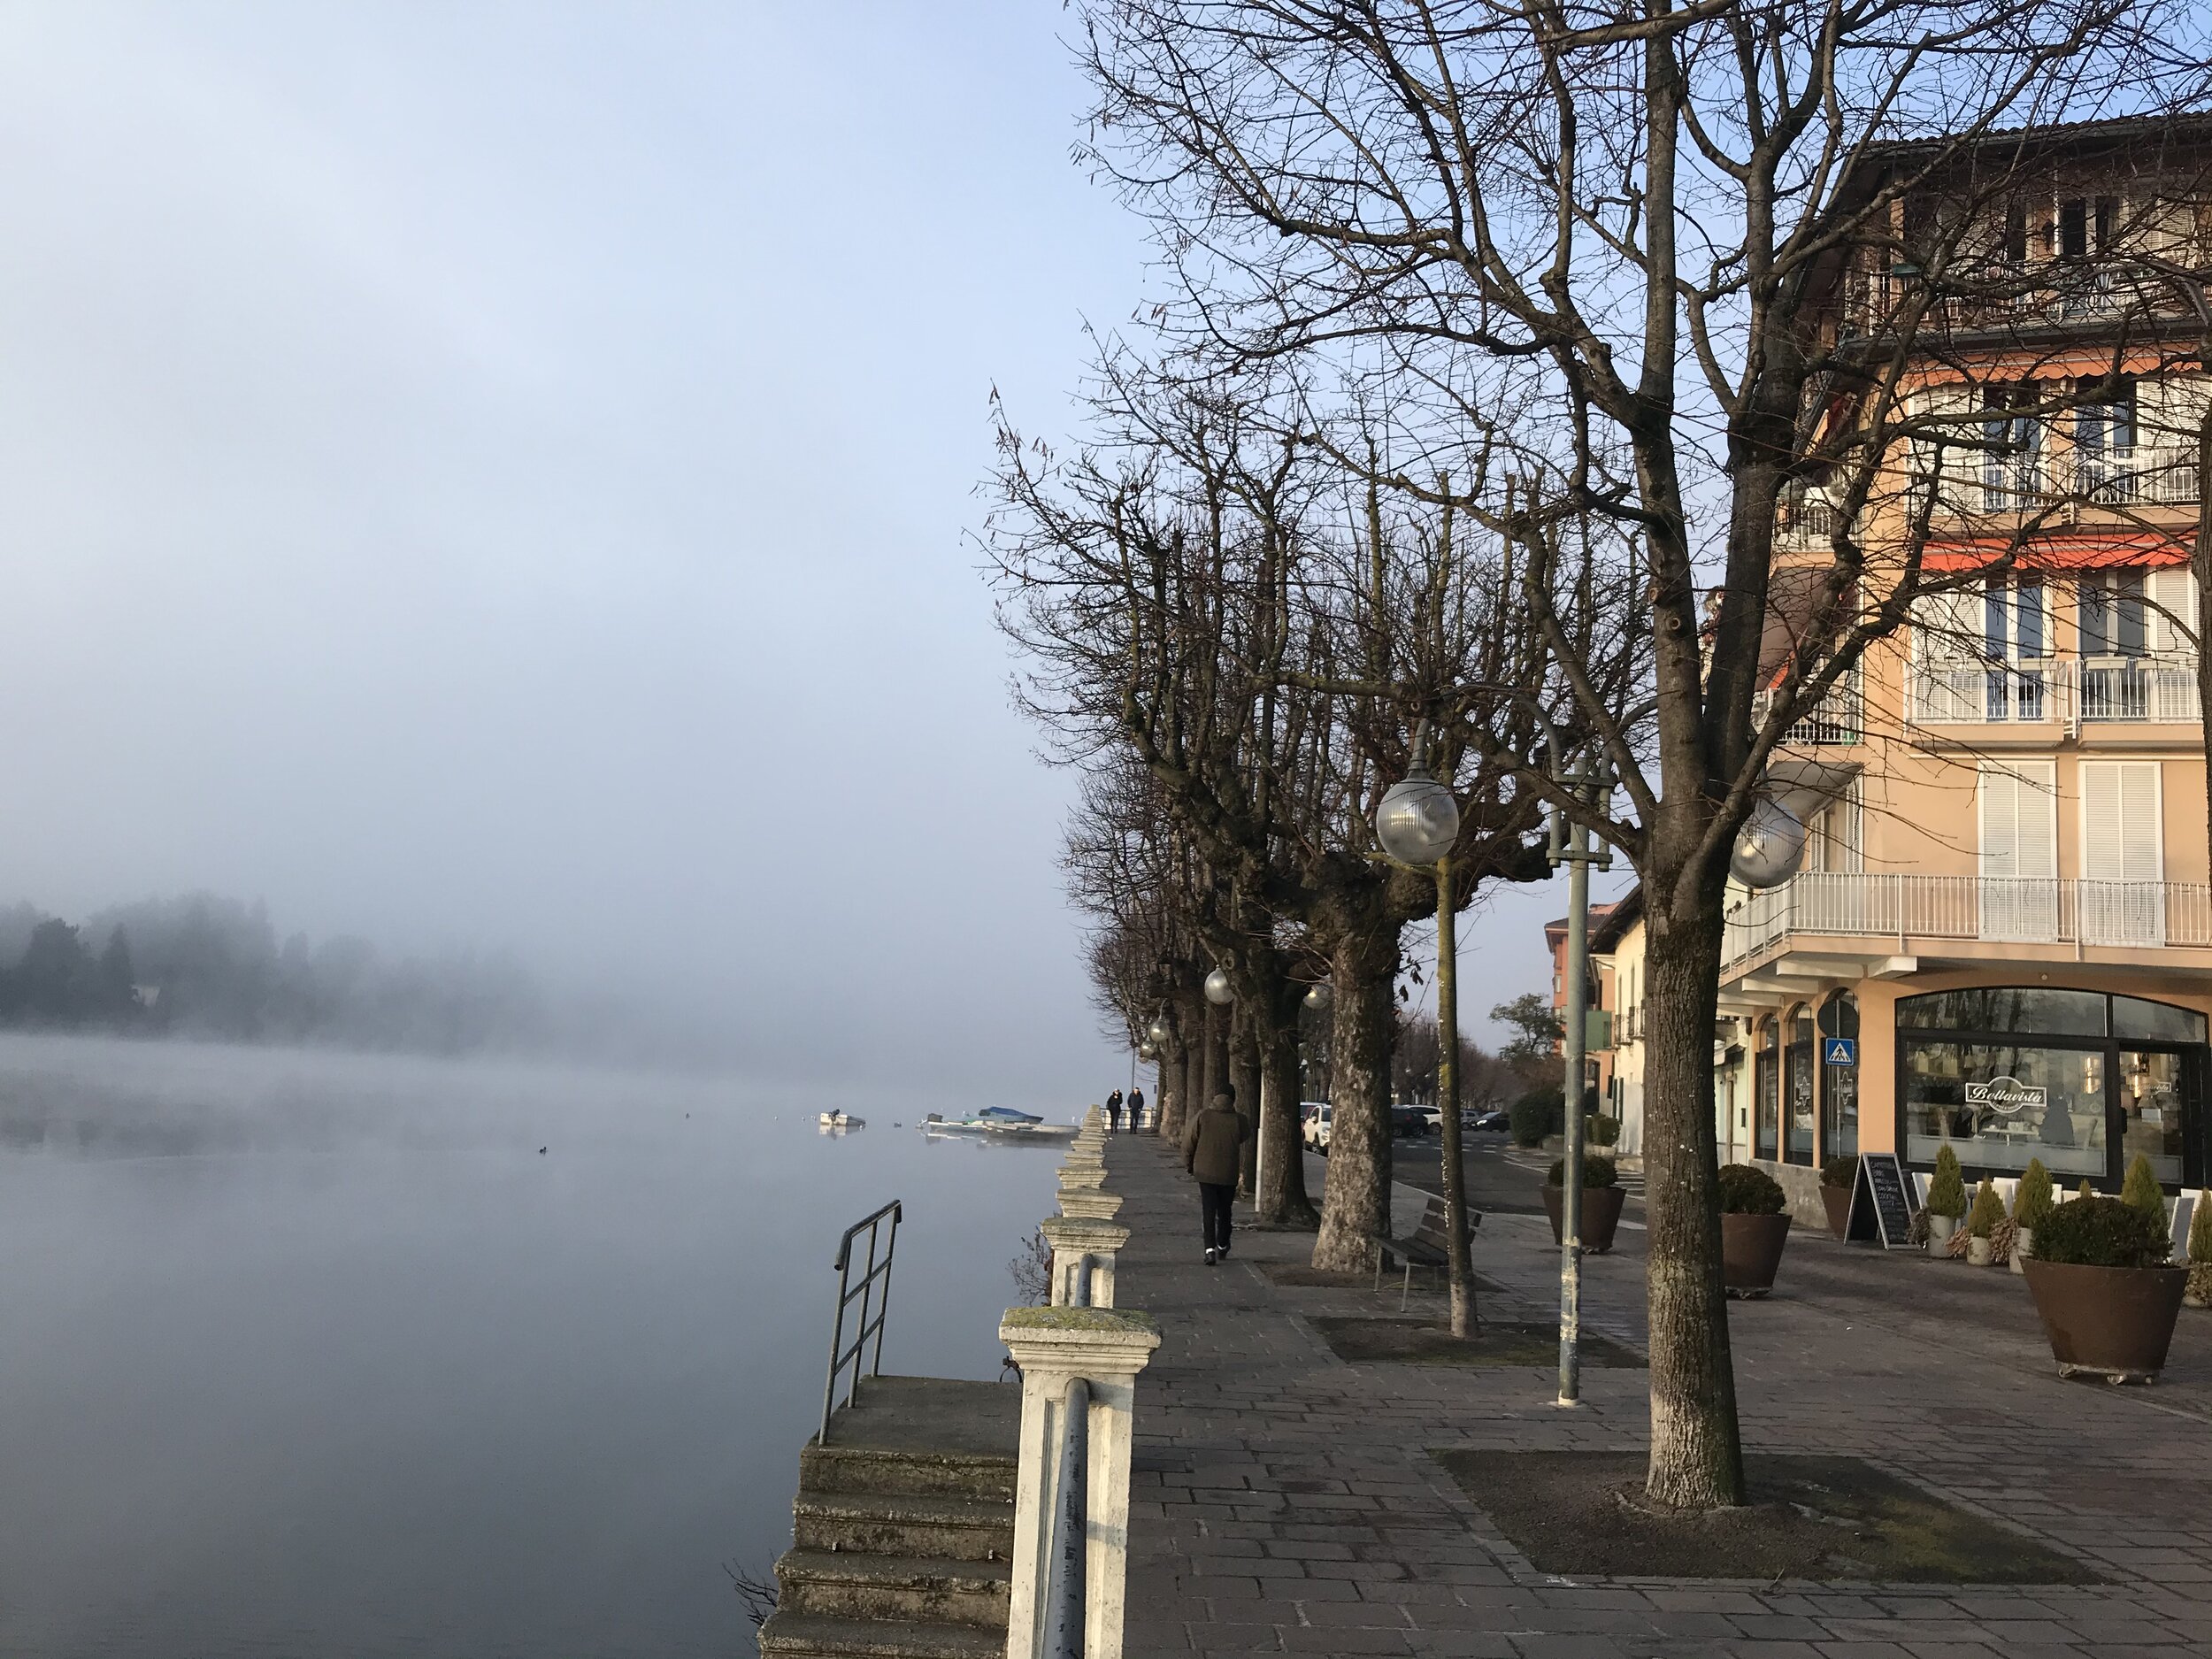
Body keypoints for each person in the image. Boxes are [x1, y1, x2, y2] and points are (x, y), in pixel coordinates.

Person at [1181, 1088, 1250, 1264]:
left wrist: (1189, 1165)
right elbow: (1245, 1136)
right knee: (1225, 1210)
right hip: (1228, 1172)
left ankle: (1209, 1249)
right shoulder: (1239, 1120)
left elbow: (1189, 1142)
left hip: (1205, 1172)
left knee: (1208, 1211)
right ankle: (1223, 1243)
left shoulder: (1202, 1117)